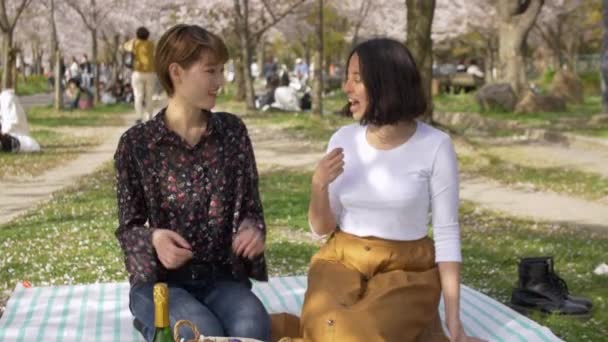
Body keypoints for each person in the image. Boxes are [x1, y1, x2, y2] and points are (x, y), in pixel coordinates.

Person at [296, 38, 485, 342]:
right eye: (348, 78)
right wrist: (318, 186)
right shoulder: (342, 139)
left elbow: (447, 235)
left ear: (386, 84)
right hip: (341, 258)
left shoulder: (435, 145)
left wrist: (455, 325)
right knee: (324, 323)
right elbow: (322, 229)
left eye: (357, 79)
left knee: (359, 333)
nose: (346, 87)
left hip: (407, 268)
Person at [114, 24, 271, 342]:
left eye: (222, 71)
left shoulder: (232, 133)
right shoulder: (137, 144)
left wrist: (252, 230)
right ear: (177, 72)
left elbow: (251, 210)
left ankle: (159, 328)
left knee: (253, 330)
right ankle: (151, 325)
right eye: (211, 71)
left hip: (221, 278)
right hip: (161, 284)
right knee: (202, 333)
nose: (220, 81)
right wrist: (156, 238)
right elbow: (128, 228)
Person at [123, 26, 157, 122]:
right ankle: (149, 116)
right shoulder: (151, 44)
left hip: (138, 72)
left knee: (138, 95)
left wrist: (134, 40)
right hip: (151, 72)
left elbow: (125, 46)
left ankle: (139, 116)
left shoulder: (135, 43)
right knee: (149, 95)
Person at [0, 89, 40, 153]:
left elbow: (10, 129)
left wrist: (4, 138)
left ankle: (8, 143)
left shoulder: (6, 99)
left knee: (29, 144)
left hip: (15, 138)